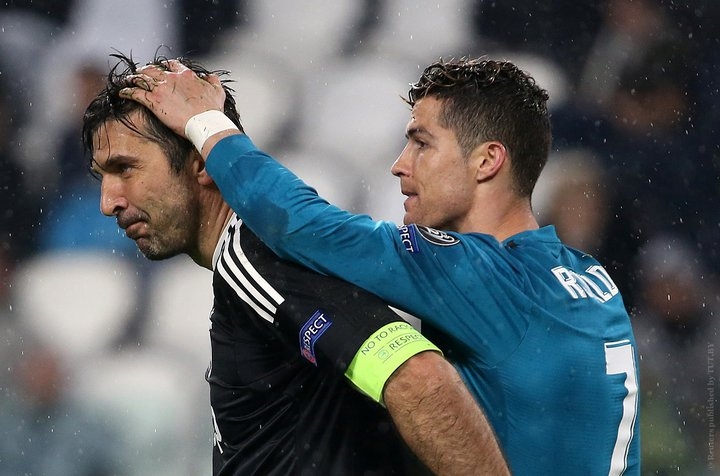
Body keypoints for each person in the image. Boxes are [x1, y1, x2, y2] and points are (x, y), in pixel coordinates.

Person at [121, 56, 642, 474]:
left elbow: (298, 225)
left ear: (487, 161)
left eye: (421, 143)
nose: (399, 165)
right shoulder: (593, 282)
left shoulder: (477, 274)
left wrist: (206, 124)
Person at [82, 53, 509, 476]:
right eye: (102, 177)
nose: (108, 202)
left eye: (125, 168)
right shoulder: (248, 263)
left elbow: (420, 379)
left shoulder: (256, 257)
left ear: (200, 163)